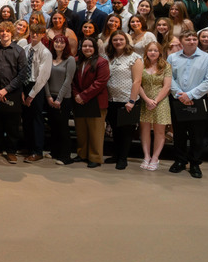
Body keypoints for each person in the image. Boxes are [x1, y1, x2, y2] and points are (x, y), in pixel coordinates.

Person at [167, 31, 208, 179]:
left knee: (197, 135)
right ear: (181, 42)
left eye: (194, 39)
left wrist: (190, 95)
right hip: (178, 99)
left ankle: (194, 163)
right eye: (187, 39)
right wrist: (180, 95)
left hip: (198, 100)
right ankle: (180, 161)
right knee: (179, 133)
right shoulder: (172, 57)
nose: (191, 41)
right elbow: (169, 77)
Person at [104, 31, 144, 170]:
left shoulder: (134, 58)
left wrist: (132, 101)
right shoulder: (109, 57)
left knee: (126, 132)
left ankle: (123, 158)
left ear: (126, 41)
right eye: (115, 40)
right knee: (115, 130)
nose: (118, 42)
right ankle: (116, 154)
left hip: (127, 100)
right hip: (111, 99)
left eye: (121, 39)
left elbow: (137, 81)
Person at [0, 22, 28, 163]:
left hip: (12, 91)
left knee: (12, 125)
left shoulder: (19, 50)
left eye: (7, 31)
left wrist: (6, 90)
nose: (4, 33)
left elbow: (22, 74)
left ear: (12, 33)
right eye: (2, 31)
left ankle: (11, 151)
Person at [72, 37, 110, 168]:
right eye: (84, 46)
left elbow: (100, 82)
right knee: (81, 130)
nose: (87, 48)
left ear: (95, 48)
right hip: (79, 101)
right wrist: (76, 95)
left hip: (96, 101)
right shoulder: (76, 61)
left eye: (90, 46)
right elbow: (72, 81)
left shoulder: (102, 62)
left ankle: (95, 157)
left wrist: (83, 95)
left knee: (96, 132)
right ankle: (82, 154)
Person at [20, 24, 53, 162]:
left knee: (36, 120)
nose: (34, 35)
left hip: (36, 88)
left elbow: (43, 77)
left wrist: (31, 95)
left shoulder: (45, 52)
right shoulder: (25, 49)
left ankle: (37, 150)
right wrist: (22, 91)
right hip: (25, 85)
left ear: (42, 35)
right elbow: (21, 70)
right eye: (32, 32)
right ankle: (28, 147)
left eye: (37, 33)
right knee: (26, 120)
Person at [138, 42, 172, 171]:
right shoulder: (140, 65)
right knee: (145, 130)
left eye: (155, 51)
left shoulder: (166, 66)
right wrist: (147, 100)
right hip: (144, 100)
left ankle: (155, 157)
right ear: (146, 52)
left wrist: (155, 101)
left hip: (161, 101)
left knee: (159, 131)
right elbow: (137, 83)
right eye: (150, 50)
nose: (153, 53)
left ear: (160, 52)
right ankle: (146, 156)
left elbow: (167, 86)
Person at [43, 35, 75, 165]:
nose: (59, 44)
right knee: (53, 126)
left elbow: (68, 80)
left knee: (62, 127)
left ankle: (65, 156)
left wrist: (59, 99)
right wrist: (48, 96)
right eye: (56, 42)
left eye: (62, 43)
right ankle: (54, 151)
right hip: (50, 97)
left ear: (66, 45)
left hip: (63, 99)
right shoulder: (49, 58)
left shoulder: (70, 59)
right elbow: (44, 77)